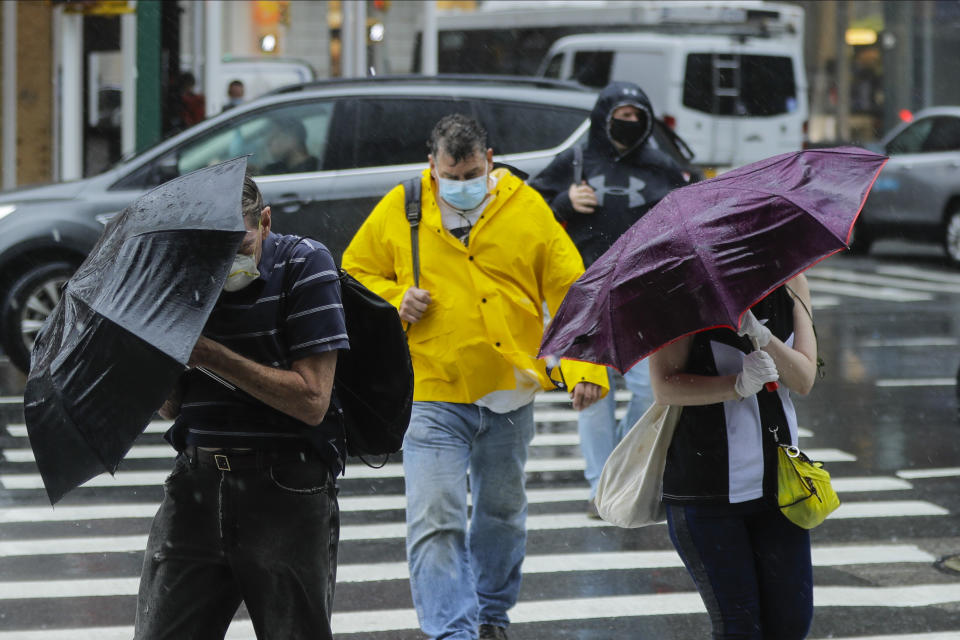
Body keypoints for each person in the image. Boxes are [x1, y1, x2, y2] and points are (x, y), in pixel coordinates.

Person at [342, 113, 609, 640]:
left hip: (509, 394)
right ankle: (452, 631)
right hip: (434, 389)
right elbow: (354, 272)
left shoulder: (526, 208)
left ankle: (491, 615)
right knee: (435, 518)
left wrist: (586, 367)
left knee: (501, 516)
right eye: (451, 175)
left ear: (489, 162)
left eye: (470, 174)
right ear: (431, 165)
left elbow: (572, 289)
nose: (461, 185)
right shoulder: (404, 205)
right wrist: (397, 298)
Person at [134, 175, 348, 640]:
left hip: (285, 486)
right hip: (196, 480)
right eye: (214, 248)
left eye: (240, 243)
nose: (225, 260)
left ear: (265, 222)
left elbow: (313, 400)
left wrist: (212, 354)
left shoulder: (305, 265)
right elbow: (172, 408)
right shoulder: (182, 274)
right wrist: (153, 355)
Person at [529, 81, 690, 518]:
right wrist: (564, 200)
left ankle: (624, 468)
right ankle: (602, 486)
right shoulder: (576, 160)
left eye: (637, 117)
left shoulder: (663, 168)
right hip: (586, 294)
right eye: (620, 115)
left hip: (645, 294)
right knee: (590, 392)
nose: (629, 125)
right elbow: (529, 210)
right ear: (603, 116)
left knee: (647, 389)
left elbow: (687, 220)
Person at [648, 274, 819, 640]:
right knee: (739, 629)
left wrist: (764, 338)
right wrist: (736, 385)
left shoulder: (792, 281)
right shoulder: (680, 289)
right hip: (706, 490)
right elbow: (665, 386)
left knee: (791, 624)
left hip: (781, 487)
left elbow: (804, 378)